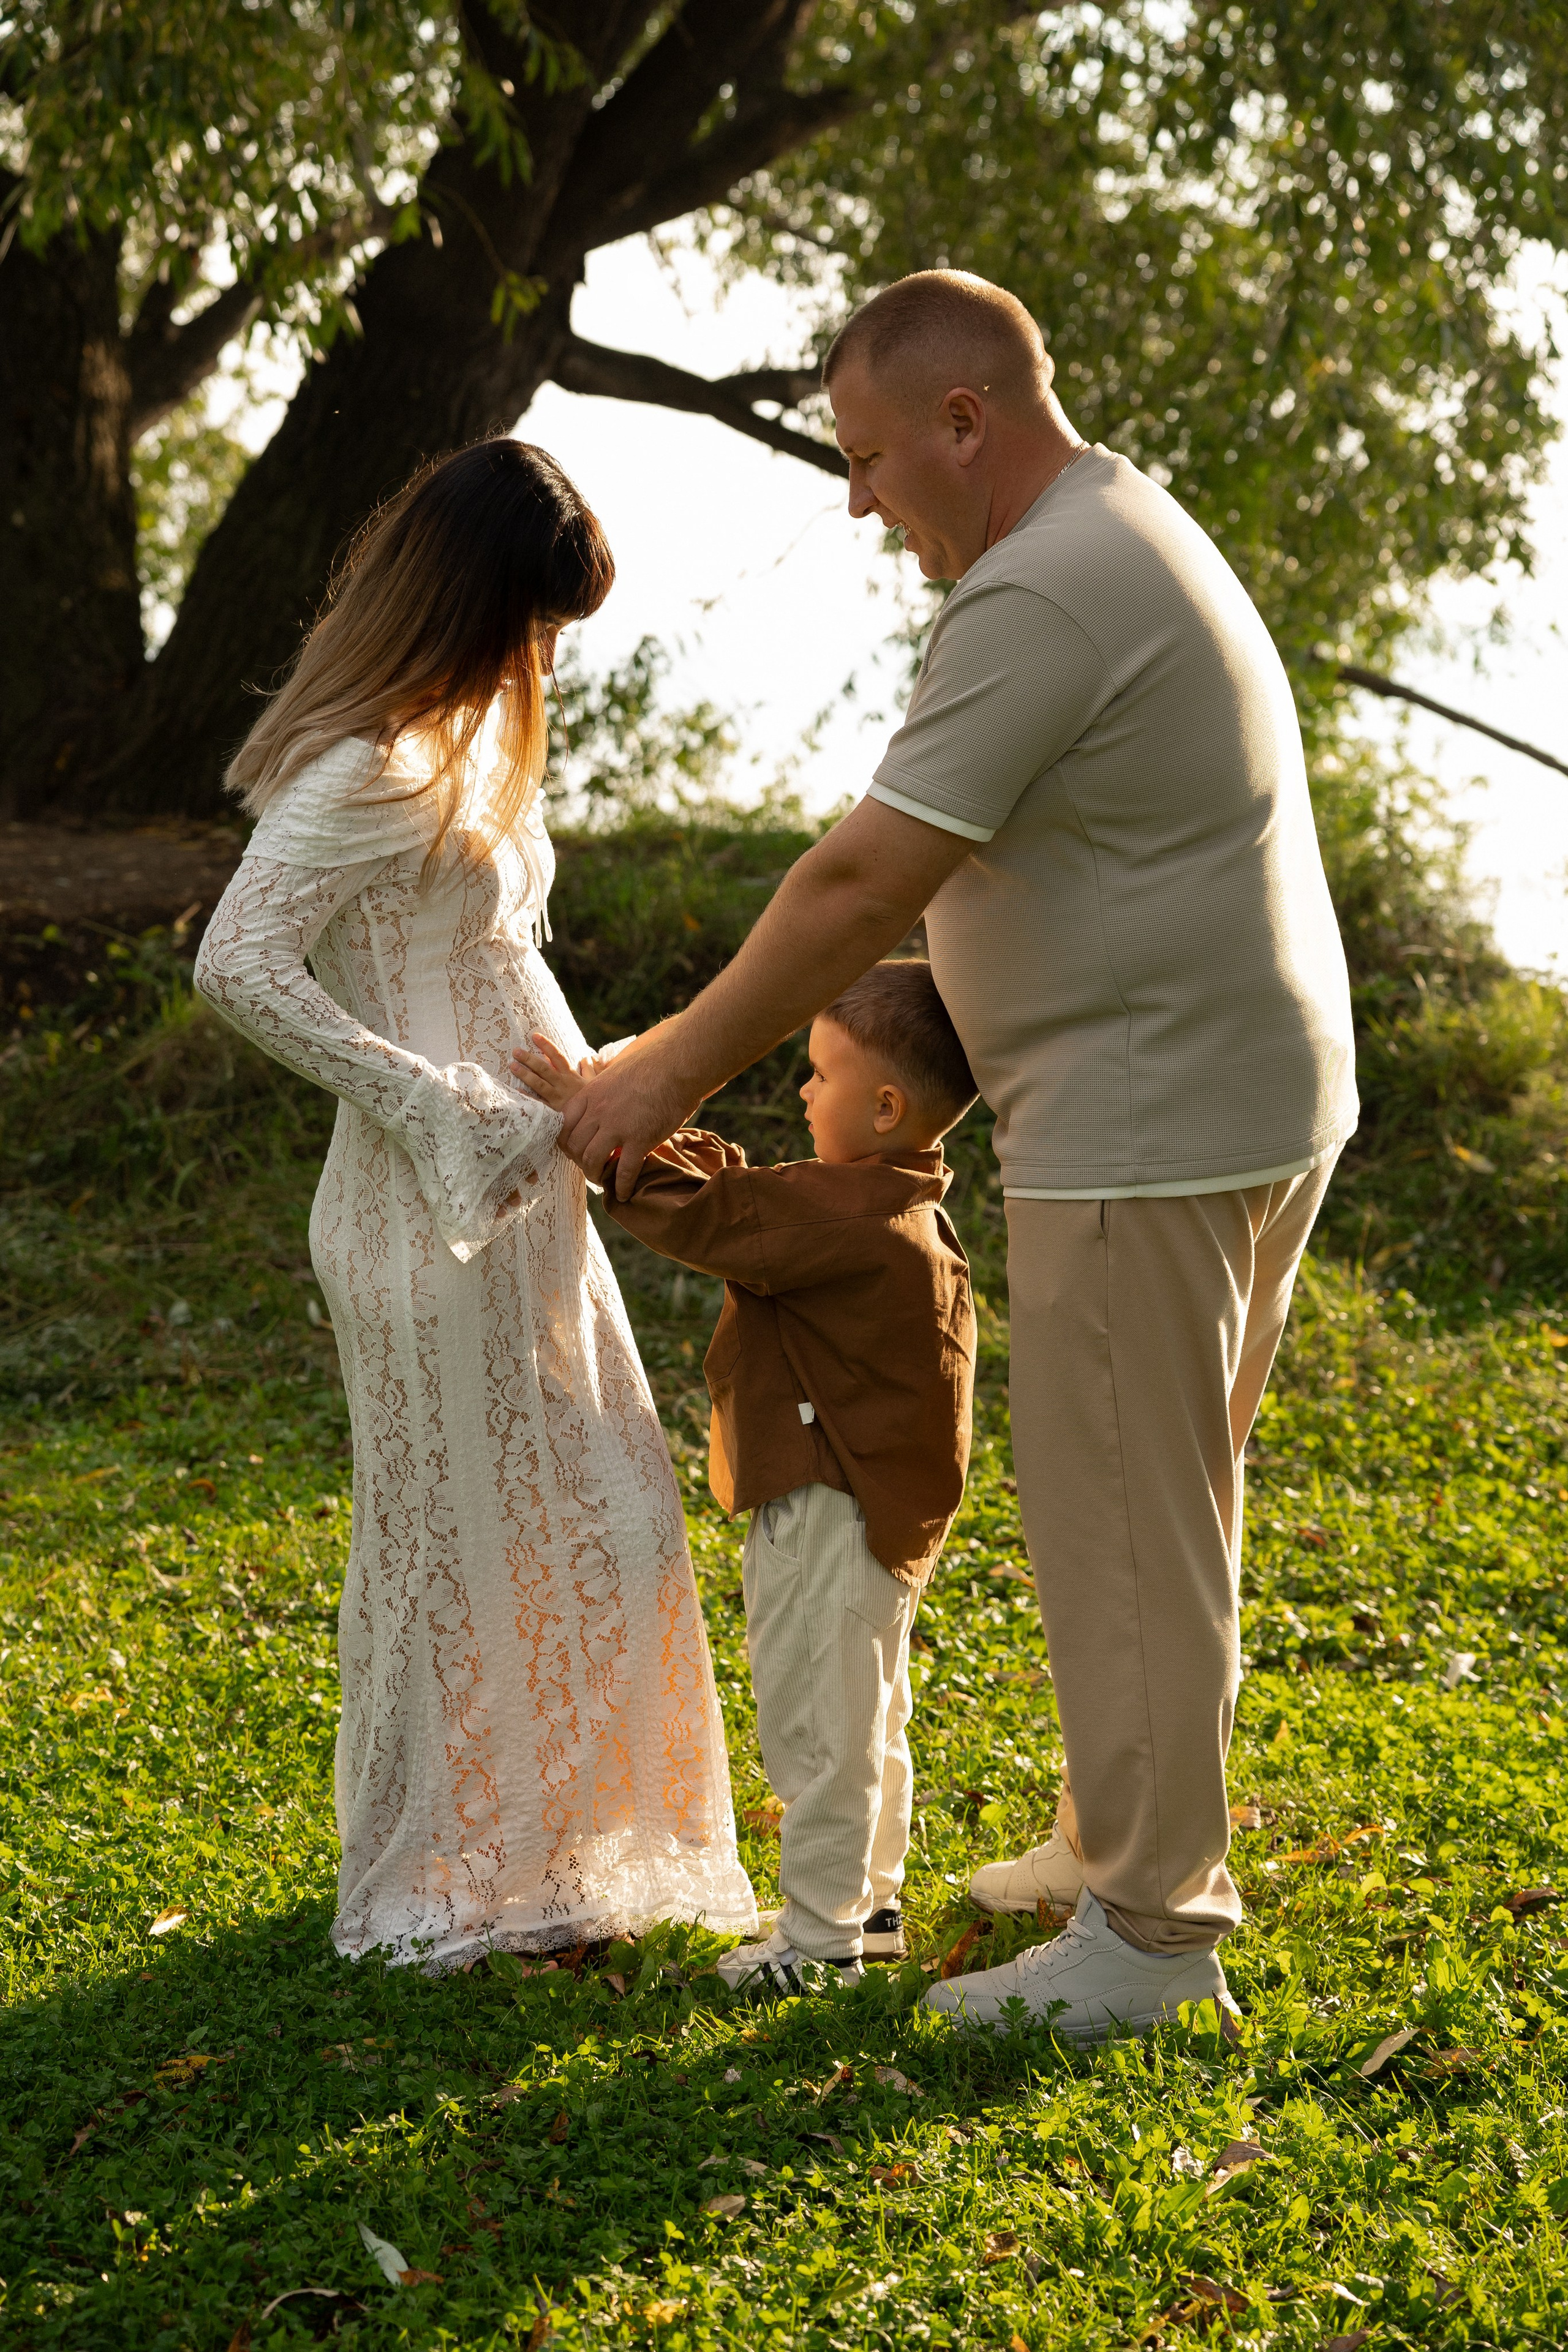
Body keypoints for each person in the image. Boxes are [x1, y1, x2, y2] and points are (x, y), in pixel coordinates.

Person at [513, 271, 1358, 2040]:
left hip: (1150, 1122)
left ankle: (1148, 1939)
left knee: (1127, 1522)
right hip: (1244, 1094)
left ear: (967, 422)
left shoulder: (1042, 586)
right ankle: (1115, 1837)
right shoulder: (1118, 528)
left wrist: (660, 1075)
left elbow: (859, 878)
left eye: (872, 454)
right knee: (1166, 1510)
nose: (857, 495)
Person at [195, 437, 756, 1970]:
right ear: (465, 603)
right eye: (534, 620)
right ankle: (469, 1882)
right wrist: (429, 1101)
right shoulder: (363, 765)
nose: (544, 656)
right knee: (467, 1542)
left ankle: (560, 1857)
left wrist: (599, 1097)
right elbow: (236, 967)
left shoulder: (459, 756)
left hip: (521, 1193)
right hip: (412, 1217)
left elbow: (502, 969)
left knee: (601, 1521)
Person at [517, 960, 977, 1993]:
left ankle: (818, 1947)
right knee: (868, 1714)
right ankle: (870, 1906)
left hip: (828, 1504)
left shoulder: (847, 1220)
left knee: (820, 1725)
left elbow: (718, 1220)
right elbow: (750, 1199)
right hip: (879, 1513)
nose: (805, 1094)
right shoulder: (894, 1204)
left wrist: (602, 1130)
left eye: (819, 1076)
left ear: (887, 1105)